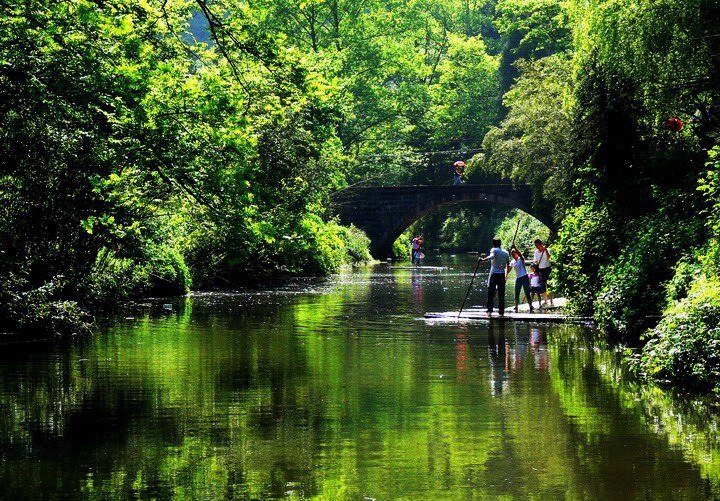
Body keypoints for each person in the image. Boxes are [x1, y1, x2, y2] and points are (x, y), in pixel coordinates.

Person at [480, 238, 509, 316]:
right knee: (501, 294)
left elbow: (491, 256)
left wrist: (483, 260)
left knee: (491, 292)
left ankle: (489, 310)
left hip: (494, 274)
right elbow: (508, 264)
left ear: (493, 244)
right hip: (502, 274)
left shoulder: (494, 250)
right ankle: (501, 311)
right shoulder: (506, 252)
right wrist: (506, 275)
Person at [506, 247, 533, 313]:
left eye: (514, 254)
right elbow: (508, 270)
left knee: (527, 292)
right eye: (512, 254)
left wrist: (515, 248)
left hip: (524, 277)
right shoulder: (512, 262)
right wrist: (507, 266)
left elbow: (520, 254)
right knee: (516, 292)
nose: (513, 255)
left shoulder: (521, 259)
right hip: (518, 278)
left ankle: (530, 306)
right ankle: (516, 307)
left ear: (517, 253)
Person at [533, 239, 553, 306]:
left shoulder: (548, 250)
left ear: (541, 244)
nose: (537, 247)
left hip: (548, 269)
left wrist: (546, 250)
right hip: (540, 270)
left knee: (549, 285)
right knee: (543, 286)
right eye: (535, 245)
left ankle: (551, 301)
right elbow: (535, 261)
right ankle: (545, 301)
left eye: (537, 245)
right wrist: (536, 262)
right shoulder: (536, 252)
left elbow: (549, 258)